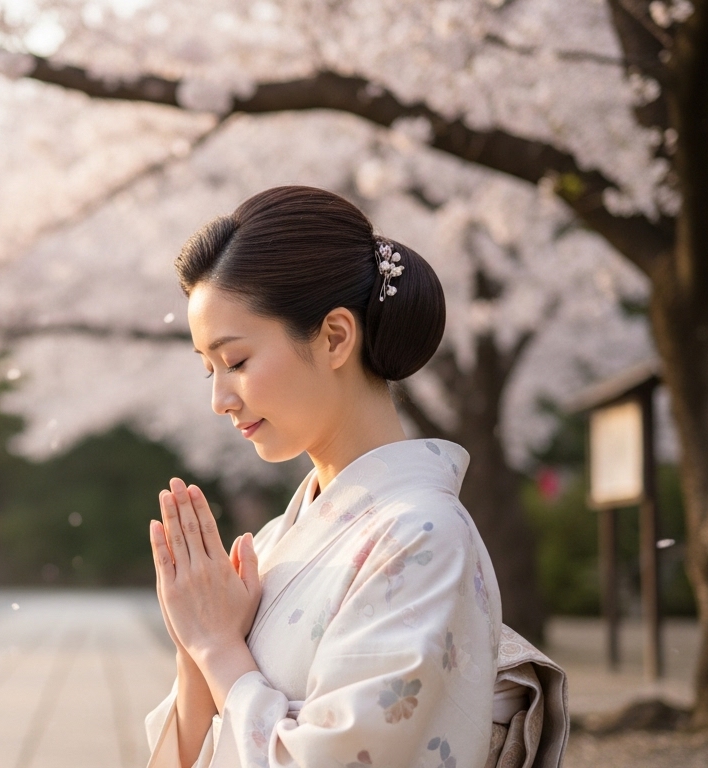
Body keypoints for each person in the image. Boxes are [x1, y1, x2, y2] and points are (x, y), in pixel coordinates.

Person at [145, 186, 566, 768]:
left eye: (236, 361)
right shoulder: (270, 543)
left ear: (336, 337)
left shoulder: (425, 536)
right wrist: (196, 652)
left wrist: (219, 649)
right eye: (208, 369)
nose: (220, 399)